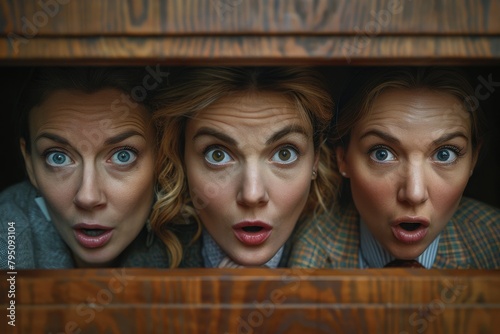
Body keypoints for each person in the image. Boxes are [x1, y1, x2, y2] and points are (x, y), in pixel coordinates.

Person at [289, 67, 500, 269]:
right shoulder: (308, 254)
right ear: (343, 159)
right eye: (382, 154)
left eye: (445, 154)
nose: (414, 194)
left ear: (473, 159)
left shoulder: (493, 242)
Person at [150, 66, 336, 268]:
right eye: (217, 155)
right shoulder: (141, 269)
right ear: (182, 159)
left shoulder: (343, 264)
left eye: (285, 154)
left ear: (315, 160)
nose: (252, 195)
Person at [0, 67, 182, 268]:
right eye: (58, 158)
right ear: (30, 164)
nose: (88, 197)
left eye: (123, 156)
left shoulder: (191, 233)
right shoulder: (7, 231)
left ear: (162, 160)